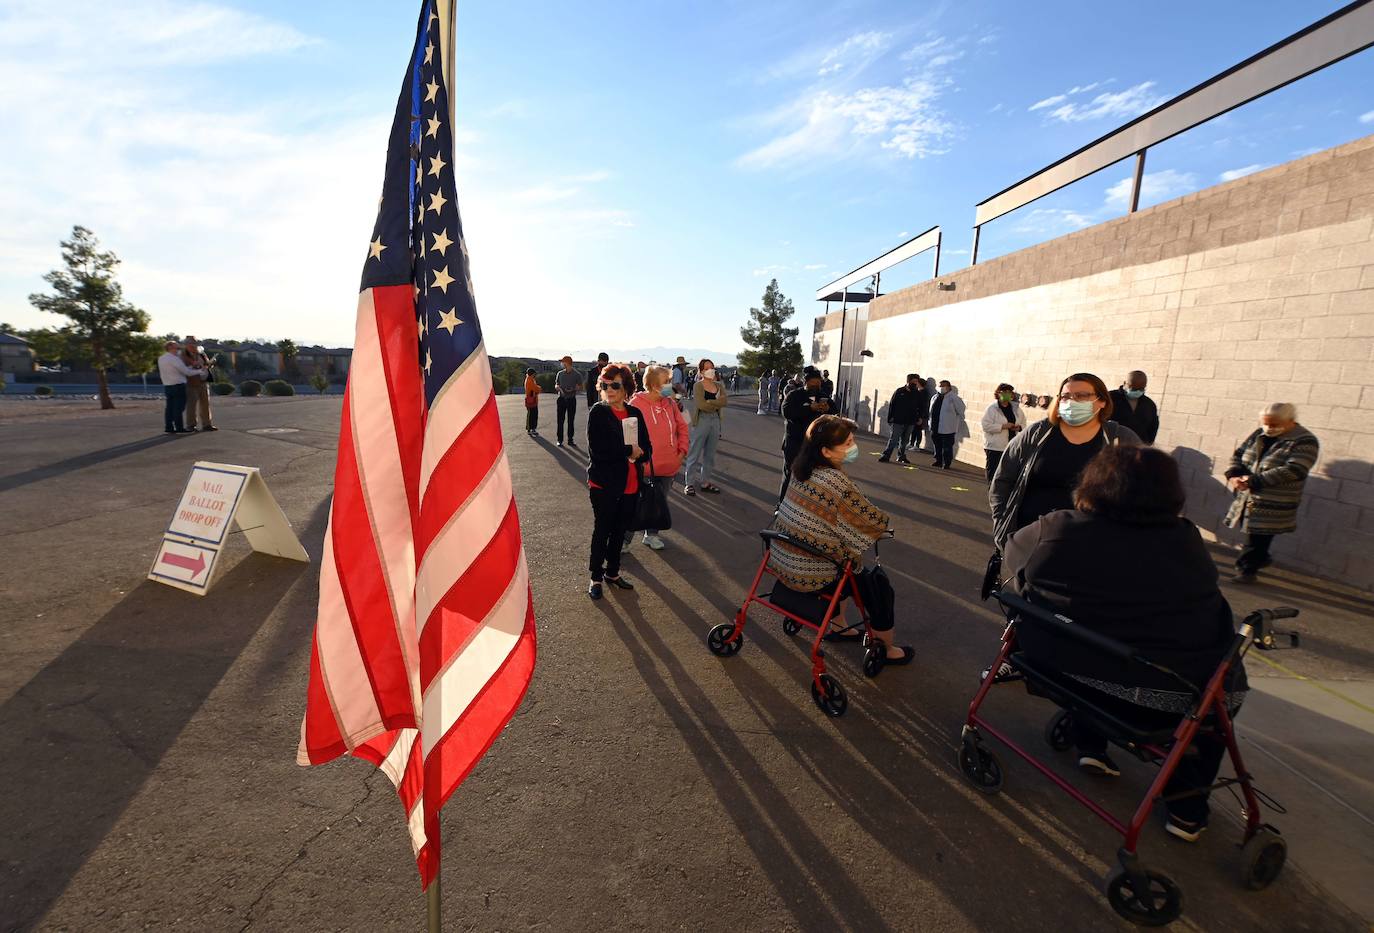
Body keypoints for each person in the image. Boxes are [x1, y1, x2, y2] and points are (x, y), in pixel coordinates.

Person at [1005, 445, 1245, 840]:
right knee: (1211, 706)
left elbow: (1014, 566)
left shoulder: (1058, 529)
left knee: (1091, 641)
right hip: (1174, 696)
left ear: (1093, 483)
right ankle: (1186, 810)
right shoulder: (1186, 542)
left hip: (1069, 674)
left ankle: (1090, 745)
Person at [769, 415, 913, 665]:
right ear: (826, 451)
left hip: (783, 557)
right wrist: (884, 528)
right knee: (877, 587)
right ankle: (887, 648)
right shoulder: (835, 481)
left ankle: (839, 625)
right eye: (847, 443)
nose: (853, 447)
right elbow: (869, 520)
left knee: (847, 561)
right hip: (814, 570)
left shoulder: (800, 468)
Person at [989, 373, 1141, 552]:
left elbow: (1143, 491)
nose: (1072, 401)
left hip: (1092, 545)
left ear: (1102, 402)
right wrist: (1001, 522)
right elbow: (1003, 479)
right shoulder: (1038, 433)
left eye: (1082, 396)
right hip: (1031, 540)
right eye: (1066, 396)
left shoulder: (1120, 439)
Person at [1223, 403, 1320, 584]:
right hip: (1248, 496)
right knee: (1252, 531)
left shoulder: (1305, 441)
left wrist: (1253, 481)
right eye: (1266, 423)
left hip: (1274, 500)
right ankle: (1260, 559)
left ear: (1290, 421)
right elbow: (1239, 454)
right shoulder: (1259, 434)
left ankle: (1247, 570)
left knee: (1258, 535)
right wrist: (1234, 474)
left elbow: (1295, 469)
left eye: (1274, 424)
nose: (1269, 428)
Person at [586, 363, 652, 599]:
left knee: (619, 532)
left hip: (631, 484)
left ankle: (612, 573)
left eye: (615, 385)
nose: (609, 389)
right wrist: (629, 452)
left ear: (626, 388)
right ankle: (595, 576)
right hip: (604, 485)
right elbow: (598, 451)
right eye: (605, 384)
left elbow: (648, 448)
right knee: (602, 531)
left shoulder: (635, 413)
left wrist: (641, 453)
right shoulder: (598, 412)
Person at [629, 365, 689, 550]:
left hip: (668, 467)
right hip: (643, 467)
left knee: (658, 502)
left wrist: (681, 453)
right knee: (635, 504)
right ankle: (624, 539)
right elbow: (629, 436)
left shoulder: (671, 404)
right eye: (666, 382)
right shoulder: (635, 404)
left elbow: (683, 428)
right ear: (654, 384)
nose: (670, 385)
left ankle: (651, 535)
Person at [779, 368, 831, 501]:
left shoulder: (823, 396)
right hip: (794, 444)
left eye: (818, 384)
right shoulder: (794, 395)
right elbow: (787, 413)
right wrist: (809, 408)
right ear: (805, 382)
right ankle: (781, 505)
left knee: (811, 477)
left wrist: (828, 410)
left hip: (814, 446)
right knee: (790, 474)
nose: (816, 387)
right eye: (813, 384)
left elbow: (834, 414)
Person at [683, 358, 728, 496]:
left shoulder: (719, 386)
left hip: (715, 421)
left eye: (712, 367)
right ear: (701, 371)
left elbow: (724, 401)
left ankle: (705, 482)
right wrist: (716, 402)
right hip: (702, 420)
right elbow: (701, 405)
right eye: (707, 368)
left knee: (710, 455)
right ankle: (689, 483)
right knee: (694, 453)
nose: (711, 370)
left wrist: (710, 401)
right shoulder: (698, 386)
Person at [157, 340, 205, 435]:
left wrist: (191, 367)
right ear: (170, 348)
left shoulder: (161, 358)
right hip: (178, 385)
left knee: (169, 408)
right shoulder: (175, 359)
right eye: (176, 347)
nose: (178, 349)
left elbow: (180, 369)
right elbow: (187, 372)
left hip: (167, 385)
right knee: (179, 408)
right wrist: (200, 371)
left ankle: (169, 427)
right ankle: (179, 427)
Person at [980, 383, 1026, 481]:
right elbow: (985, 426)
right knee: (993, 473)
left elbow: (1024, 425)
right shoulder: (992, 409)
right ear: (998, 393)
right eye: (1004, 392)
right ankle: (992, 492)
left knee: (1006, 474)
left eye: (1009, 392)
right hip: (994, 446)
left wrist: (1019, 428)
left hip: (1011, 446)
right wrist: (1002, 426)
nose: (1007, 394)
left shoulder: (1016, 409)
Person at [878, 374, 924, 464]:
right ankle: (886, 455)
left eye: (916, 382)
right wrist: (890, 418)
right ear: (908, 381)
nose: (915, 383)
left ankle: (901, 456)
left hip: (910, 421)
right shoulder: (899, 391)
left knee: (905, 441)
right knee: (894, 439)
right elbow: (892, 405)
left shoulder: (917, 393)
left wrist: (920, 417)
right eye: (913, 381)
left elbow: (920, 406)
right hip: (898, 421)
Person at [1107, 371, 1160, 445]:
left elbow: (1153, 426)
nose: (1137, 391)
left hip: (1137, 448)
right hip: (1111, 446)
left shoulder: (1149, 404)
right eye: (1133, 388)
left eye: (1141, 389)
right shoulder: (1110, 398)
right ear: (1125, 383)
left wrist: (1147, 445)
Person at [181, 336, 216, 432]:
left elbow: (206, 364)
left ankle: (207, 424)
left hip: (203, 381)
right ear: (187, 344)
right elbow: (183, 367)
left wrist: (210, 363)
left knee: (205, 404)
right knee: (191, 405)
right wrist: (194, 365)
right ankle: (191, 425)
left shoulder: (201, 353)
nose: (193, 345)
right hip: (191, 382)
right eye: (191, 343)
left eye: (195, 343)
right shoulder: (183, 354)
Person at [928, 380, 965, 469]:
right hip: (934, 426)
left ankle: (946, 463)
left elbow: (961, 410)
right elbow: (930, 411)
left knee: (947, 447)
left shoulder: (954, 398)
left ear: (948, 387)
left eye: (943, 386)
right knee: (937, 445)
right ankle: (938, 460)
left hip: (948, 427)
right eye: (940, 386)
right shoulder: (935, 397)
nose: (941, 388)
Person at [554, 355, 583, 448]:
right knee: (560, 420)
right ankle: (560, 440)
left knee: (571, 420)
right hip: (561, 399)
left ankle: (570, 439)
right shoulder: (560, 373)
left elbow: (580, 386)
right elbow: (556, 384)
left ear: (568, 363)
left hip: (571, 399)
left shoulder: (577, 374)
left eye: (563, 362)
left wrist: (573, 389)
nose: (562, 363)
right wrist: (558, 388)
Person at [523, 367, 541, 437]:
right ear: (532, 374)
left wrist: (537, 388)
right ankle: (529, 429)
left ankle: (533, 428)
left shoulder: (531, 379)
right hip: (530, 400)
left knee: (534, 414)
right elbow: (535, 388)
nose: (535, 375)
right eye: (534, 374)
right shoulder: (529, 380)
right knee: (531, 415)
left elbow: (535, 388)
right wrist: (539, 388)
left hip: (533, 399)